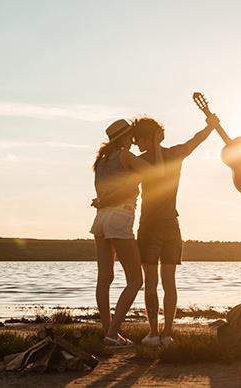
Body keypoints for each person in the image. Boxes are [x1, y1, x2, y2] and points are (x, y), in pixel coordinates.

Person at [131, 115, 219, 347]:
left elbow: (195, 141)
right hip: (167, 225)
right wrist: (210, 126)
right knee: (165, 282)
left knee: (157, 282)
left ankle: (159, 333)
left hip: (154, 226)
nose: (135, 143)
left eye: (138, 138)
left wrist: (209, 126)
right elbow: (195, 140)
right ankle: (163, 333)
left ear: (148, 138)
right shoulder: (170, 155)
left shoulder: (142, 161)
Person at [90, 119, 163, 347]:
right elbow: (158, 174)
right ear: (124, 138)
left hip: (100, 219)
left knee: (105, 279)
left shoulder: (101, 161)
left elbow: (106, 192)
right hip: (119, 218)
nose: (133, 139)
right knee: (135, 280)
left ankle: (108, 333)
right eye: (131, 136)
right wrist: (157, 146)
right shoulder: (125, 156)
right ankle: (112, 333)